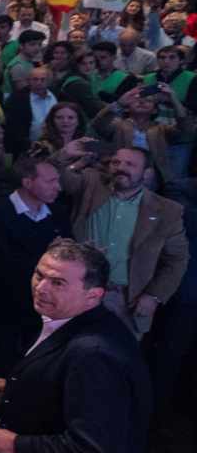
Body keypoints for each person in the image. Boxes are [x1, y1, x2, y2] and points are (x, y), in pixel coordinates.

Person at [0, 240, 152, 453]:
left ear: (93, 295)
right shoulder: (68, 319)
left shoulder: (94, 355)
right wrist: (17, 388)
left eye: (58, 283)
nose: (41, 287)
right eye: (39, 274)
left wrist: (14, 445)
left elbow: (92, 446)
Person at [56, 144, 187, 337]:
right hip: (78, 290)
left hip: (126, 300)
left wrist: (154, 296)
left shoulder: (168, 211)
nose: (120, 167)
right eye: (116, 162)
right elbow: (59, 178)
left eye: (130, 164)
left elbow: (177, 259)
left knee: (116, 362)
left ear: (147, 173)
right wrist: (63, 154)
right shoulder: (92, 183)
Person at [0, 155, 72, 378]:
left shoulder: (58, 214)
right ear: (28, 182)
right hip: (3, 312)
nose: (58, 187)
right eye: (50, 181)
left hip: (44, 313)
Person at [3, 64, 58, 158]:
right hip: (27, 150)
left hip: (55, 147)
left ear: (48, 81)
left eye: (42, 79)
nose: (39, 82)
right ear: (29, 81)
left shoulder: (57, 95)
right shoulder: (17, 99)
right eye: (35, 79)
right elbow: (13, 128)